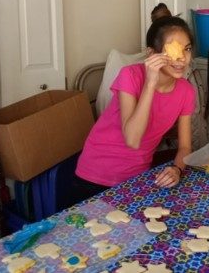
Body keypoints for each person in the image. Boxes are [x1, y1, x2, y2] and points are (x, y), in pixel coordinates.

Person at [74, 16, 196, 198]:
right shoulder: (130, 75)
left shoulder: (186, 91)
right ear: (151, 53)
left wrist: (176, 169)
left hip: (137, 176)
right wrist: (150, 83)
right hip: (96, 173)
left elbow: (185, 146)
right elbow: (132, 139)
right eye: (173, 50)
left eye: (186, 49)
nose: (182, 58)